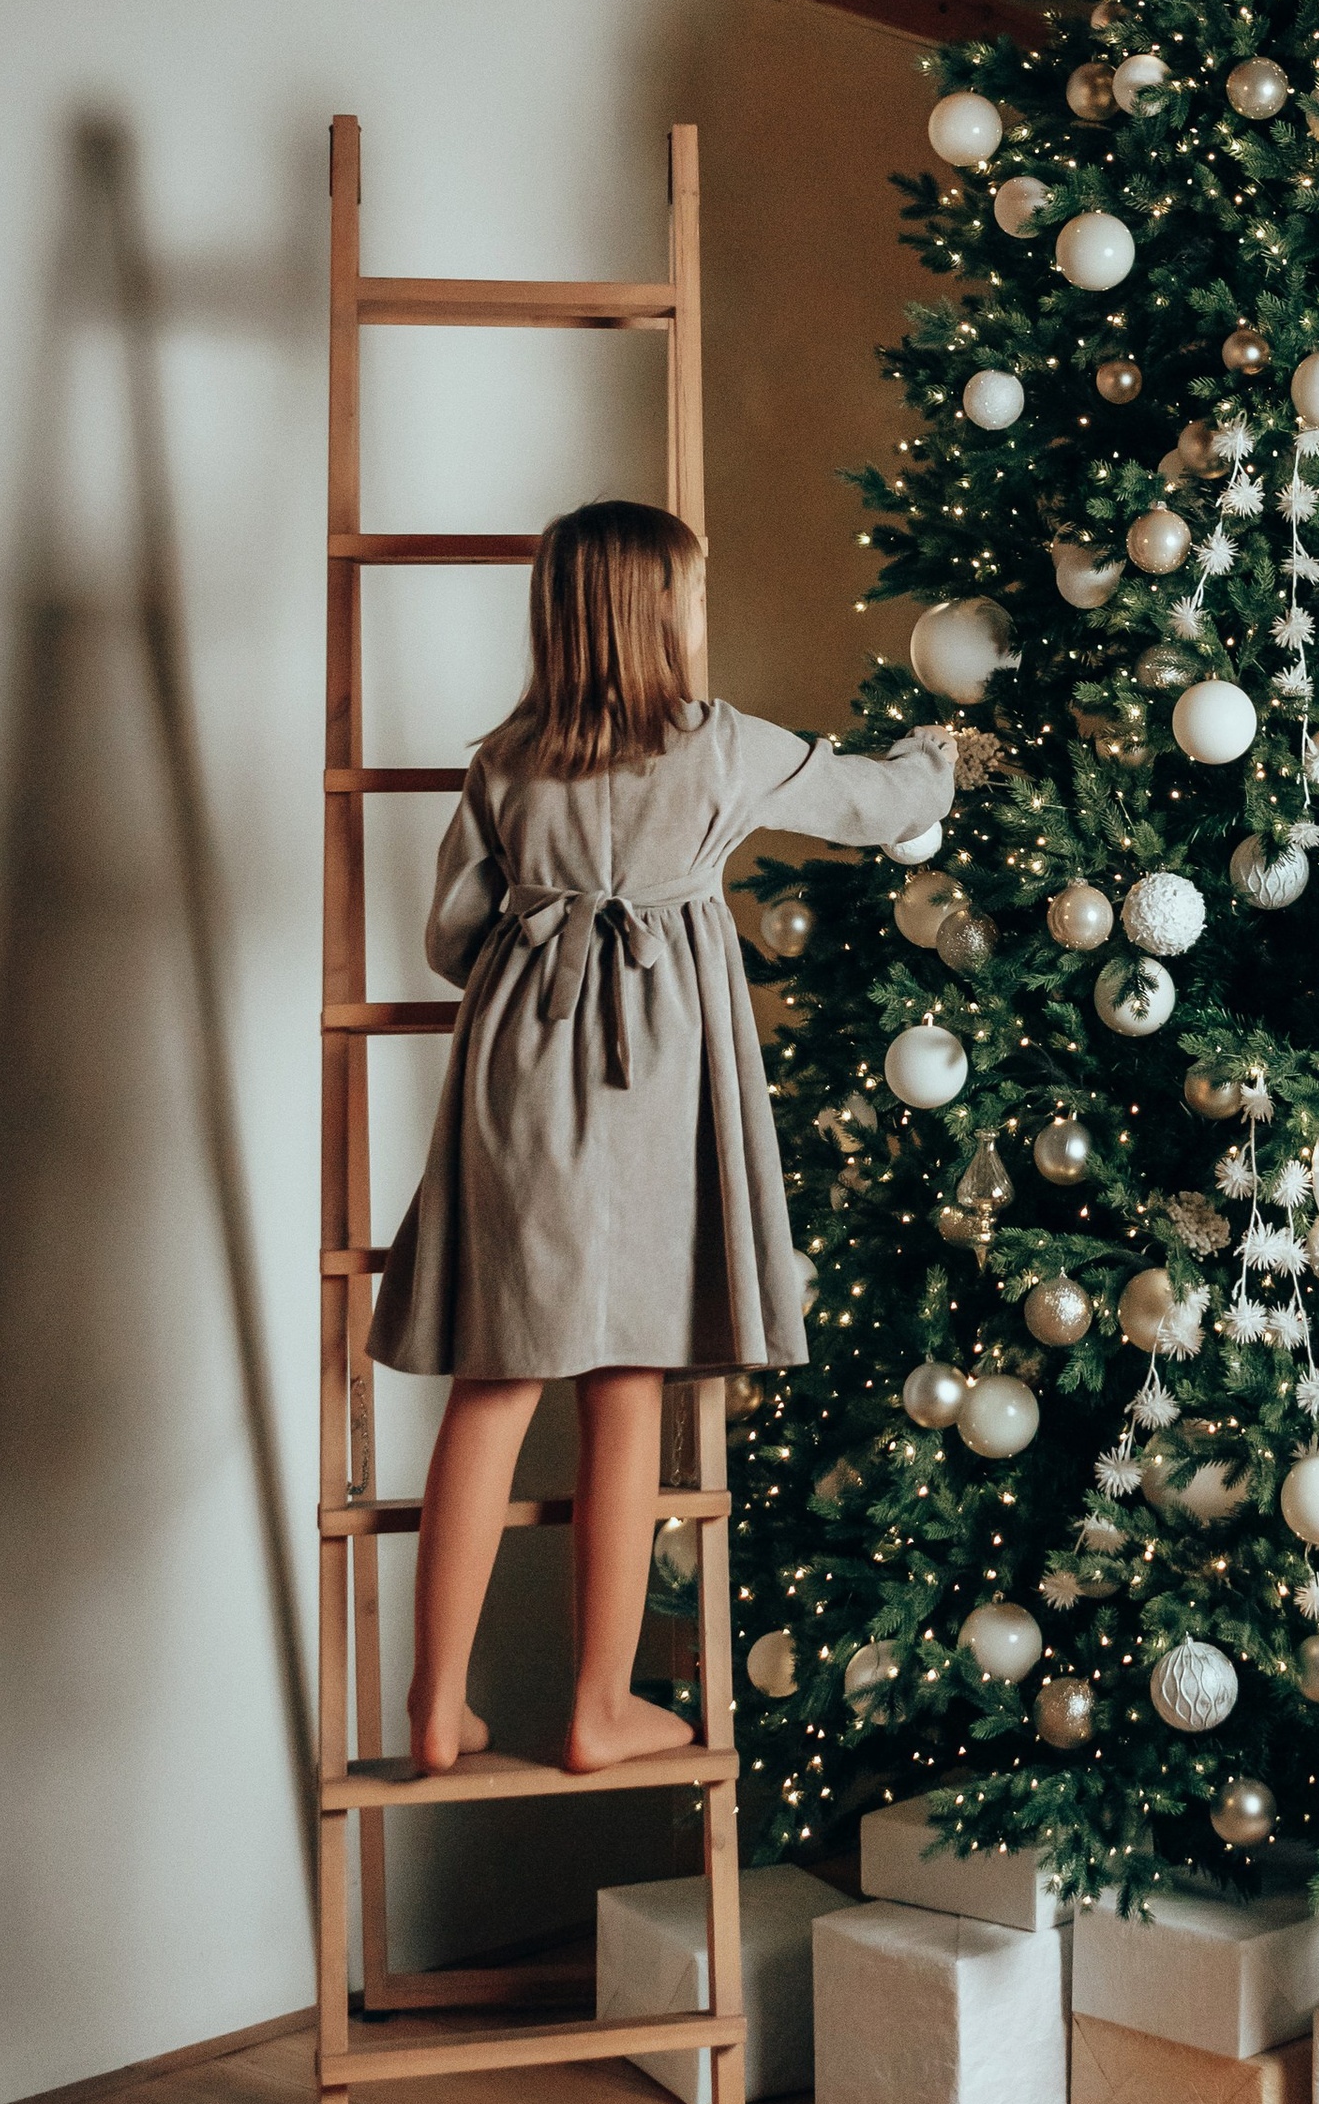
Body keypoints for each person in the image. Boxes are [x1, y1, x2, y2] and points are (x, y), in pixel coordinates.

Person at [369, 499, 954, 1774]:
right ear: (657, 616)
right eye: (690, 596)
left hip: (514, 1087)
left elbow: (451, 938)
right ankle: (597, 1705)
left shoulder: (508, 759)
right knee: (627, 1382)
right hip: (653, 1091)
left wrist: (547, 924)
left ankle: (431, 1703)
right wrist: (938, 758)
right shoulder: (717, 745)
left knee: (493, 1381)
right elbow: (866, 802)